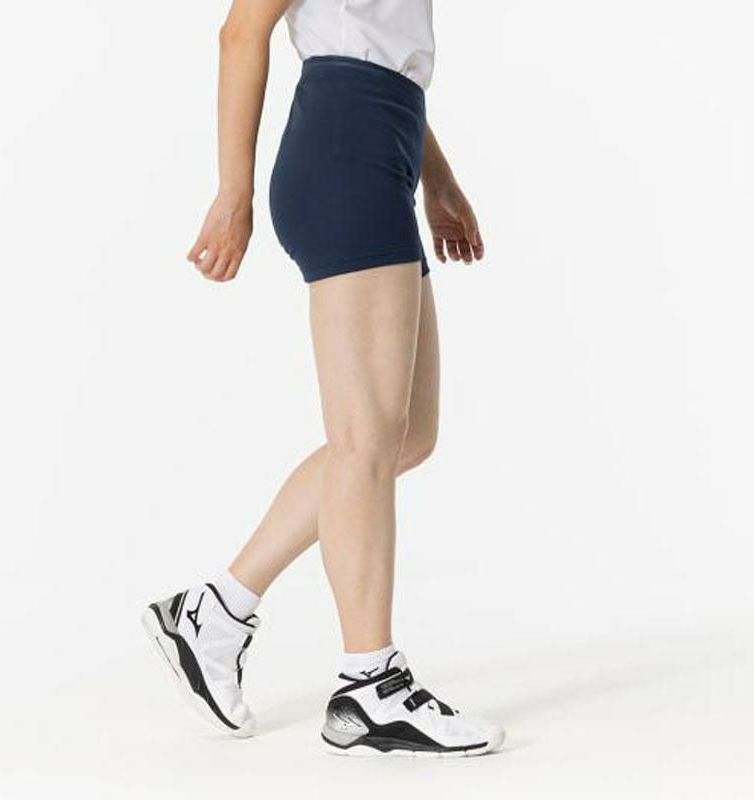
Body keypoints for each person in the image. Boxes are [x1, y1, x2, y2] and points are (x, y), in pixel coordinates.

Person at [142, 0, 504, 757]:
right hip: (347, 144)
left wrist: (437, 181)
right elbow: (242, 30)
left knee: (405, 435)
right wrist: (232, 192)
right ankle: (369, 684)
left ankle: (213, 614)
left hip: (387, 141)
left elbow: (387, 49)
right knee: (366, 438)